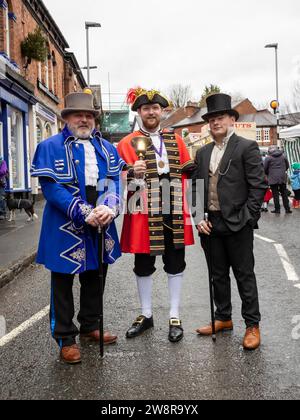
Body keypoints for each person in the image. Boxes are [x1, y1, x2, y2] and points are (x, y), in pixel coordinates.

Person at [31, 92, 125, 364]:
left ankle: (90, 325)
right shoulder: (50, 146)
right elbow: (51, 188)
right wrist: (82, 212)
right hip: (65, 224)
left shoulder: (108, 148)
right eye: (78, 115)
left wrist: (109, 206)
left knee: (96, 276)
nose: (84, 119)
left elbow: (114, 181)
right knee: (62, 282)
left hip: (101, 220)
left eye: (89, 115)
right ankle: (65, 338)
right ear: (67, 118)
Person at [117, 88, 195, 343]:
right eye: (146, 108)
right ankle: (146, 315)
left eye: (155, 108)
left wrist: (199, 209)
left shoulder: (176, 140)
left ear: (162, 112)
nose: (151, 112)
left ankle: (174, 315)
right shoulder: (127, 143)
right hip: (142, 209)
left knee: (175, 262)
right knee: (143, 265)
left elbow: (190, 174)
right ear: (138, 112)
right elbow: (116, 182)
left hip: (172, 207)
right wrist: (131, 174)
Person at [192, 93, 267, 350]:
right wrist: (197, 218)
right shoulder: (202, 153)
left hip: (238, 223)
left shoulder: (246, 147)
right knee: (217, 275)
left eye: (220, 117)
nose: (215, 122)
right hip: (210, 224)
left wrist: (248, 218)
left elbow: (258, 186)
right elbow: (196, 188)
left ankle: (252, 325)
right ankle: (223, 317)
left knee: (244, 275)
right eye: (211, 118)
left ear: (232, 119)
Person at [264, 146, 292, 214]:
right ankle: (287, 209)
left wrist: (269, 173)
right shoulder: (283, 156)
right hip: (282, 177)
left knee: (275, 194)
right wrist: (282, 171)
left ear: (269, 151)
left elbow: (265, 168)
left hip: (273, 178)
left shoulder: (268, 158)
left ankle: (277, 209)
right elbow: (287, 166)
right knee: (284, 193)